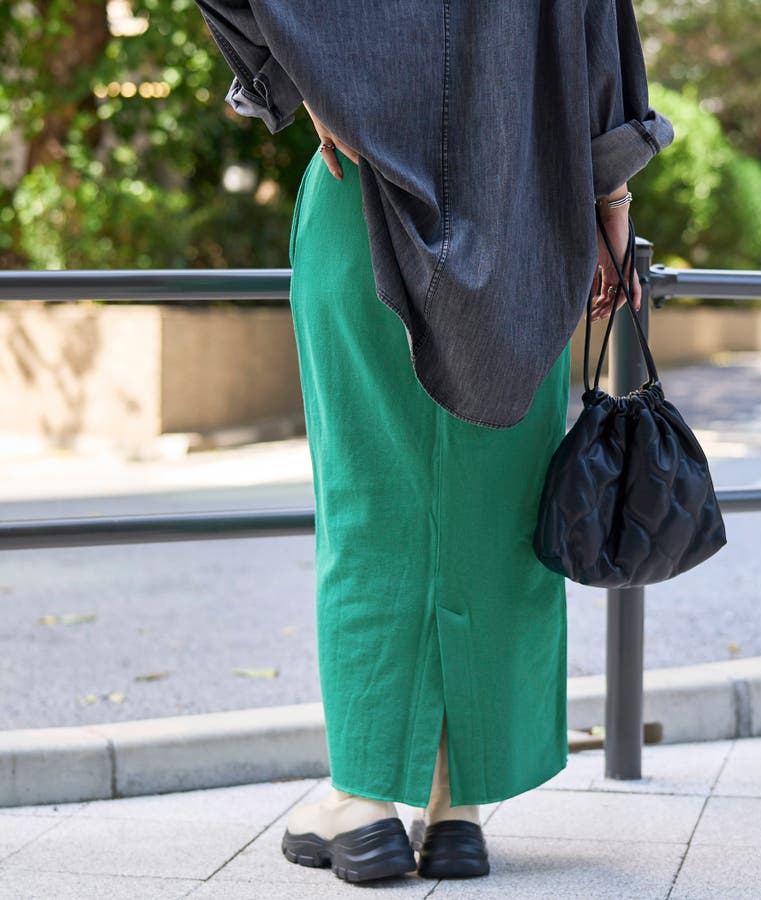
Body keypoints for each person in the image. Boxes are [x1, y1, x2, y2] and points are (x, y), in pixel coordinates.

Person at [194, 0, 674, 884]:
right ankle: (458, 806)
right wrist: (611, 198)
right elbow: (597, 31)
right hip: (526, 210)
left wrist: (305, 82)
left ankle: (365, 803)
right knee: (500, 510)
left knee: (372, 502)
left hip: (362, 192)